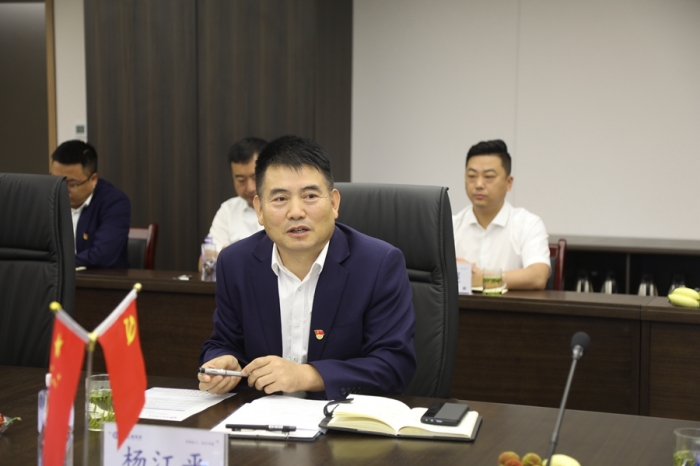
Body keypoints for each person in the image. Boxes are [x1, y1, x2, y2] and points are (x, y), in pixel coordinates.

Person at [198, 135, 416, 400]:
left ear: (334, 203)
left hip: (340, 418)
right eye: (280, 199)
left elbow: (394, 366)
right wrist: (223, 361)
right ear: (259, 209)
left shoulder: (378, 264)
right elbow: (223, 342)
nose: (296, 212)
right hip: (262, 416)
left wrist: (306, 375)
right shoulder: (235, 263)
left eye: (310, 196)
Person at [452, 139, 550, 290]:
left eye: (489, 177)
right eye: (472, 176)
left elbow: (538, 277)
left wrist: (484, 279)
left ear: (509, 183)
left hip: (510, 306)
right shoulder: (450, 226)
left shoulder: (528, 224)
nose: (478, 184)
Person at [49, 140, 130, 268]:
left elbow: (102, 255)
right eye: (55, 181)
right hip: (52, 277)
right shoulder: (46, 197)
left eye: (71, 184)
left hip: (99, 278)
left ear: (93, 179)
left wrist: (55, 263)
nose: (61, 190)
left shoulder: (114, 202)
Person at [205, 137, 267, 251]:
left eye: (255, 177)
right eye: (241, 180)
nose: (250, 188)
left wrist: (230, 253)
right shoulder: (228, 210)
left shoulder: (287, 208)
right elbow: (207, 258)